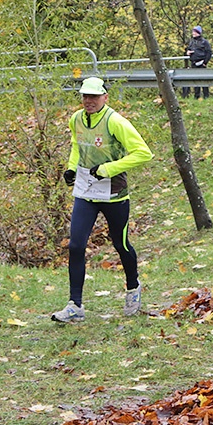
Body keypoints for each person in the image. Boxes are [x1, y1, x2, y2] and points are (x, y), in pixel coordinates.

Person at [53, 77, 154, 323]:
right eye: (85, 96)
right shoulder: (76, 118)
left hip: (114, 193)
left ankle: (133, 288)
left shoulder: (115, 121)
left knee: (120, 244)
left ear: (105, 98)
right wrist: (71, 168)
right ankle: (74, 305)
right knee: (76, 245)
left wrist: (109, 168)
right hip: (86, 190)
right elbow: (78, 145)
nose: (89, 101)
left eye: (94, 97)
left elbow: (144, 153)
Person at [185, 25, 213, 99]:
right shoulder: (192, 42)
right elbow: (188, 50)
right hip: (194, 63)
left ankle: (206, 96)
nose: (193, 33)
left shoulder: (204, 42)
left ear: (198, 33)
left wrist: (205, 62)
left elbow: (209, 52)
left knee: (204, 80)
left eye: (194, 32)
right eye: (193, 32)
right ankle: (196, 96)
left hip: (202, 63)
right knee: (195, 80)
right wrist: (188, 52)